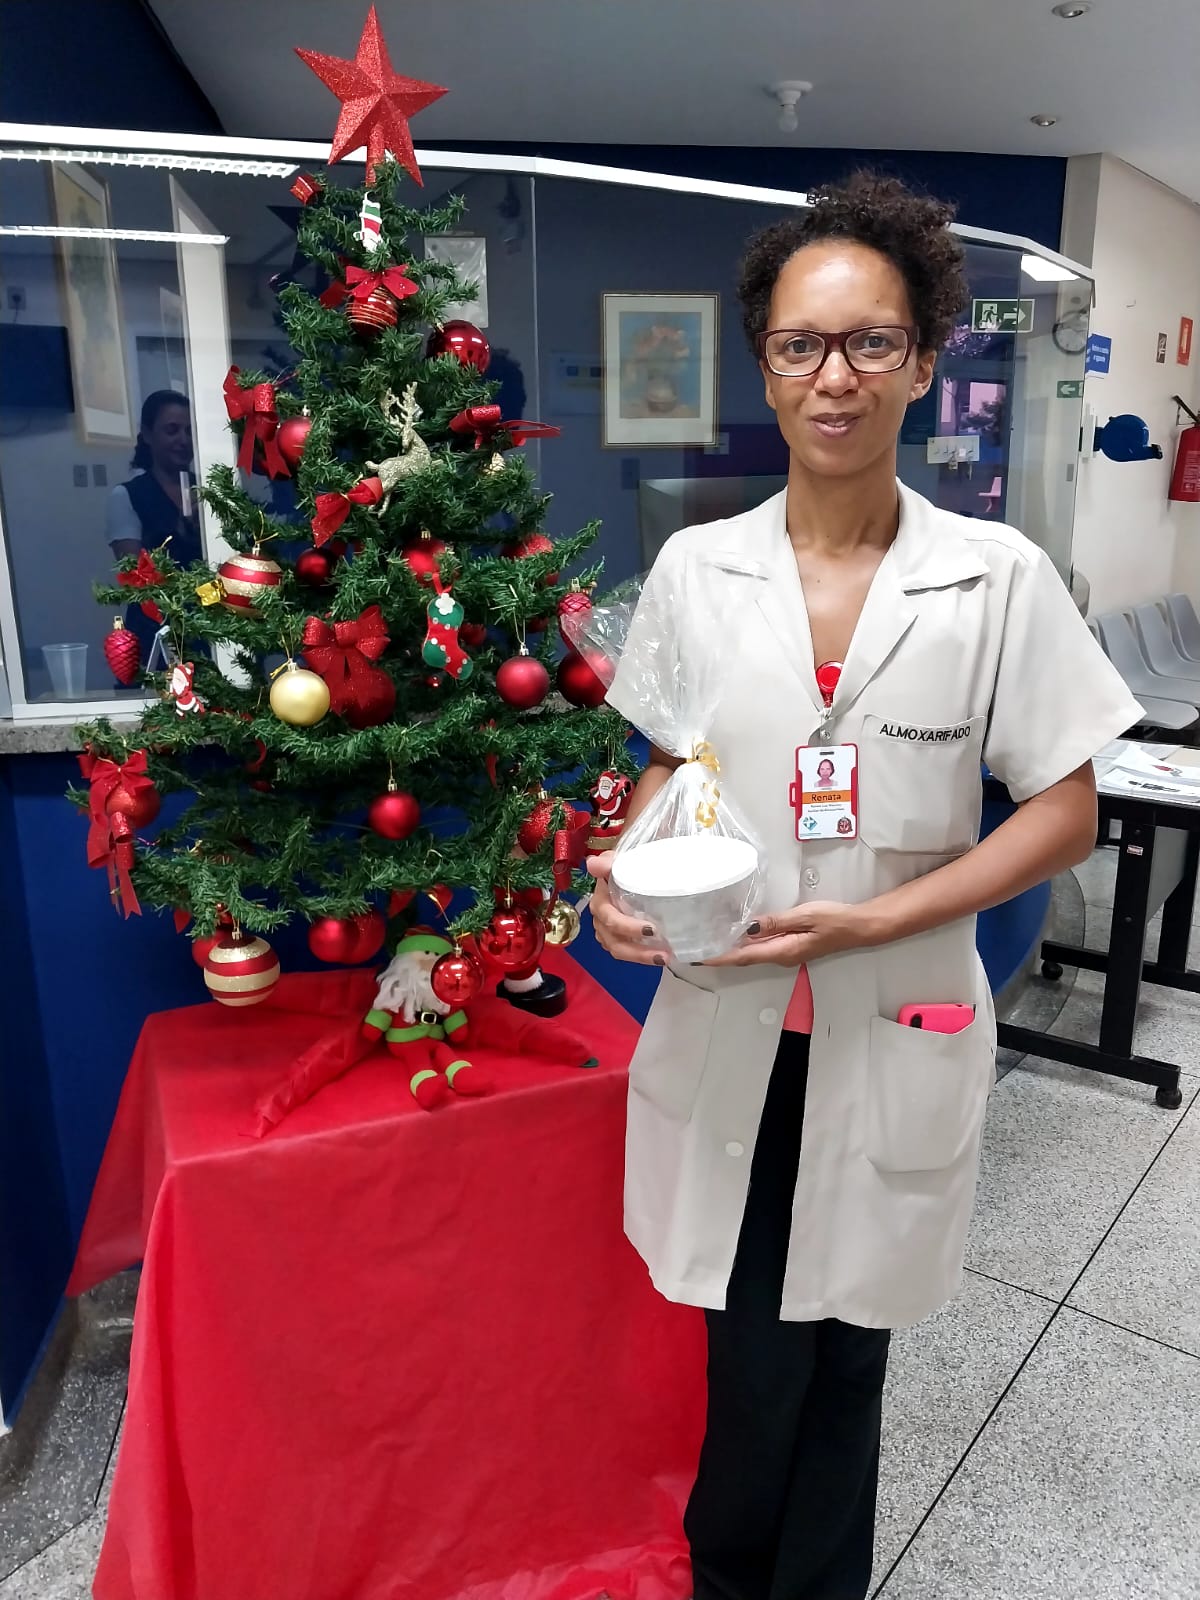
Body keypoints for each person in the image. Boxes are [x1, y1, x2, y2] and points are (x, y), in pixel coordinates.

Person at [588, 173, 1141, 1600]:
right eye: (801, 345)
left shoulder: (996, 577)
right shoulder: (697, 569)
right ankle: (732, 1581)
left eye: (870, 341)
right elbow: (669, 767)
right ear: (764, 365)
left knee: (851, 1351)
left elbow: (1065, 812)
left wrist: (879, 919)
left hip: (895, 1014)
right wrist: (624, 879)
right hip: (734, 1010)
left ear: (924, 357)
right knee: (753, 1353)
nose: (834, 377)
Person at [106, 391, 201, 660]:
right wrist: (181, 534)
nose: (183, 440)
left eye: (189, 431)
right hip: (155, 632)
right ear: (148, 435)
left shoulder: (208, 488)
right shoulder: (127, 496)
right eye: (172, 430)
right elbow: (135, 576)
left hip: (209, 626)